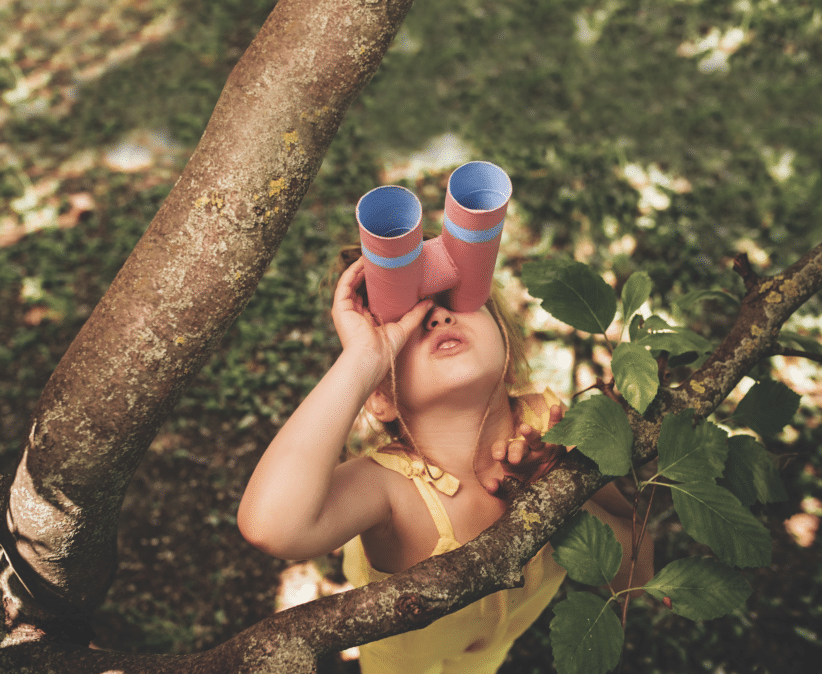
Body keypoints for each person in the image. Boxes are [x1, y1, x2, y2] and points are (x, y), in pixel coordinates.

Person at [238, 249, 653, 674]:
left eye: (457, 300)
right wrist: (363, 358)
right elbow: (271, 526)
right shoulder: (388, 490)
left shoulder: (553, 426)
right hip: (402, 660)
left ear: (507, 351)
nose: (436, 317)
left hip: (500, 642)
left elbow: (638, 574)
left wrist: (556, 495)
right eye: (405, 321)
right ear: (379, 396)